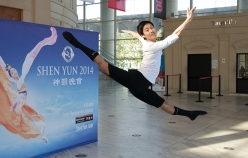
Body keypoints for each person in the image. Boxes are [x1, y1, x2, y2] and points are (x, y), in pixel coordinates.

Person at [63, 7, 207, 121]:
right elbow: (175, 35)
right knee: (103, 65)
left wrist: (132, 32)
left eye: (152, 27)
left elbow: (139, 36)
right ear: (145, 34)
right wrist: (188, 20)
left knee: (164, 105)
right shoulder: (153, 46)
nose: (151, 30)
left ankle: (189, 115)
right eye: (147, 29)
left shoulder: (146, 41)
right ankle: (76, 44)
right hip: (137, 80)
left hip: (141, 88)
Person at [0, 27, 58, 142]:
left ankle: (41, 131)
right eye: (12, 72)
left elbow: (27, 63)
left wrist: (40, 46)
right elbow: (5, 79)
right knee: (24, 117)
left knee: (28, 116)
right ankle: (41, 133)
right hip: (18, 100)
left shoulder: (20, 79)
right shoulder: (15, 81)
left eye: (14, 70)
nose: (15, 72)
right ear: (11, 75)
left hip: (20, 101)